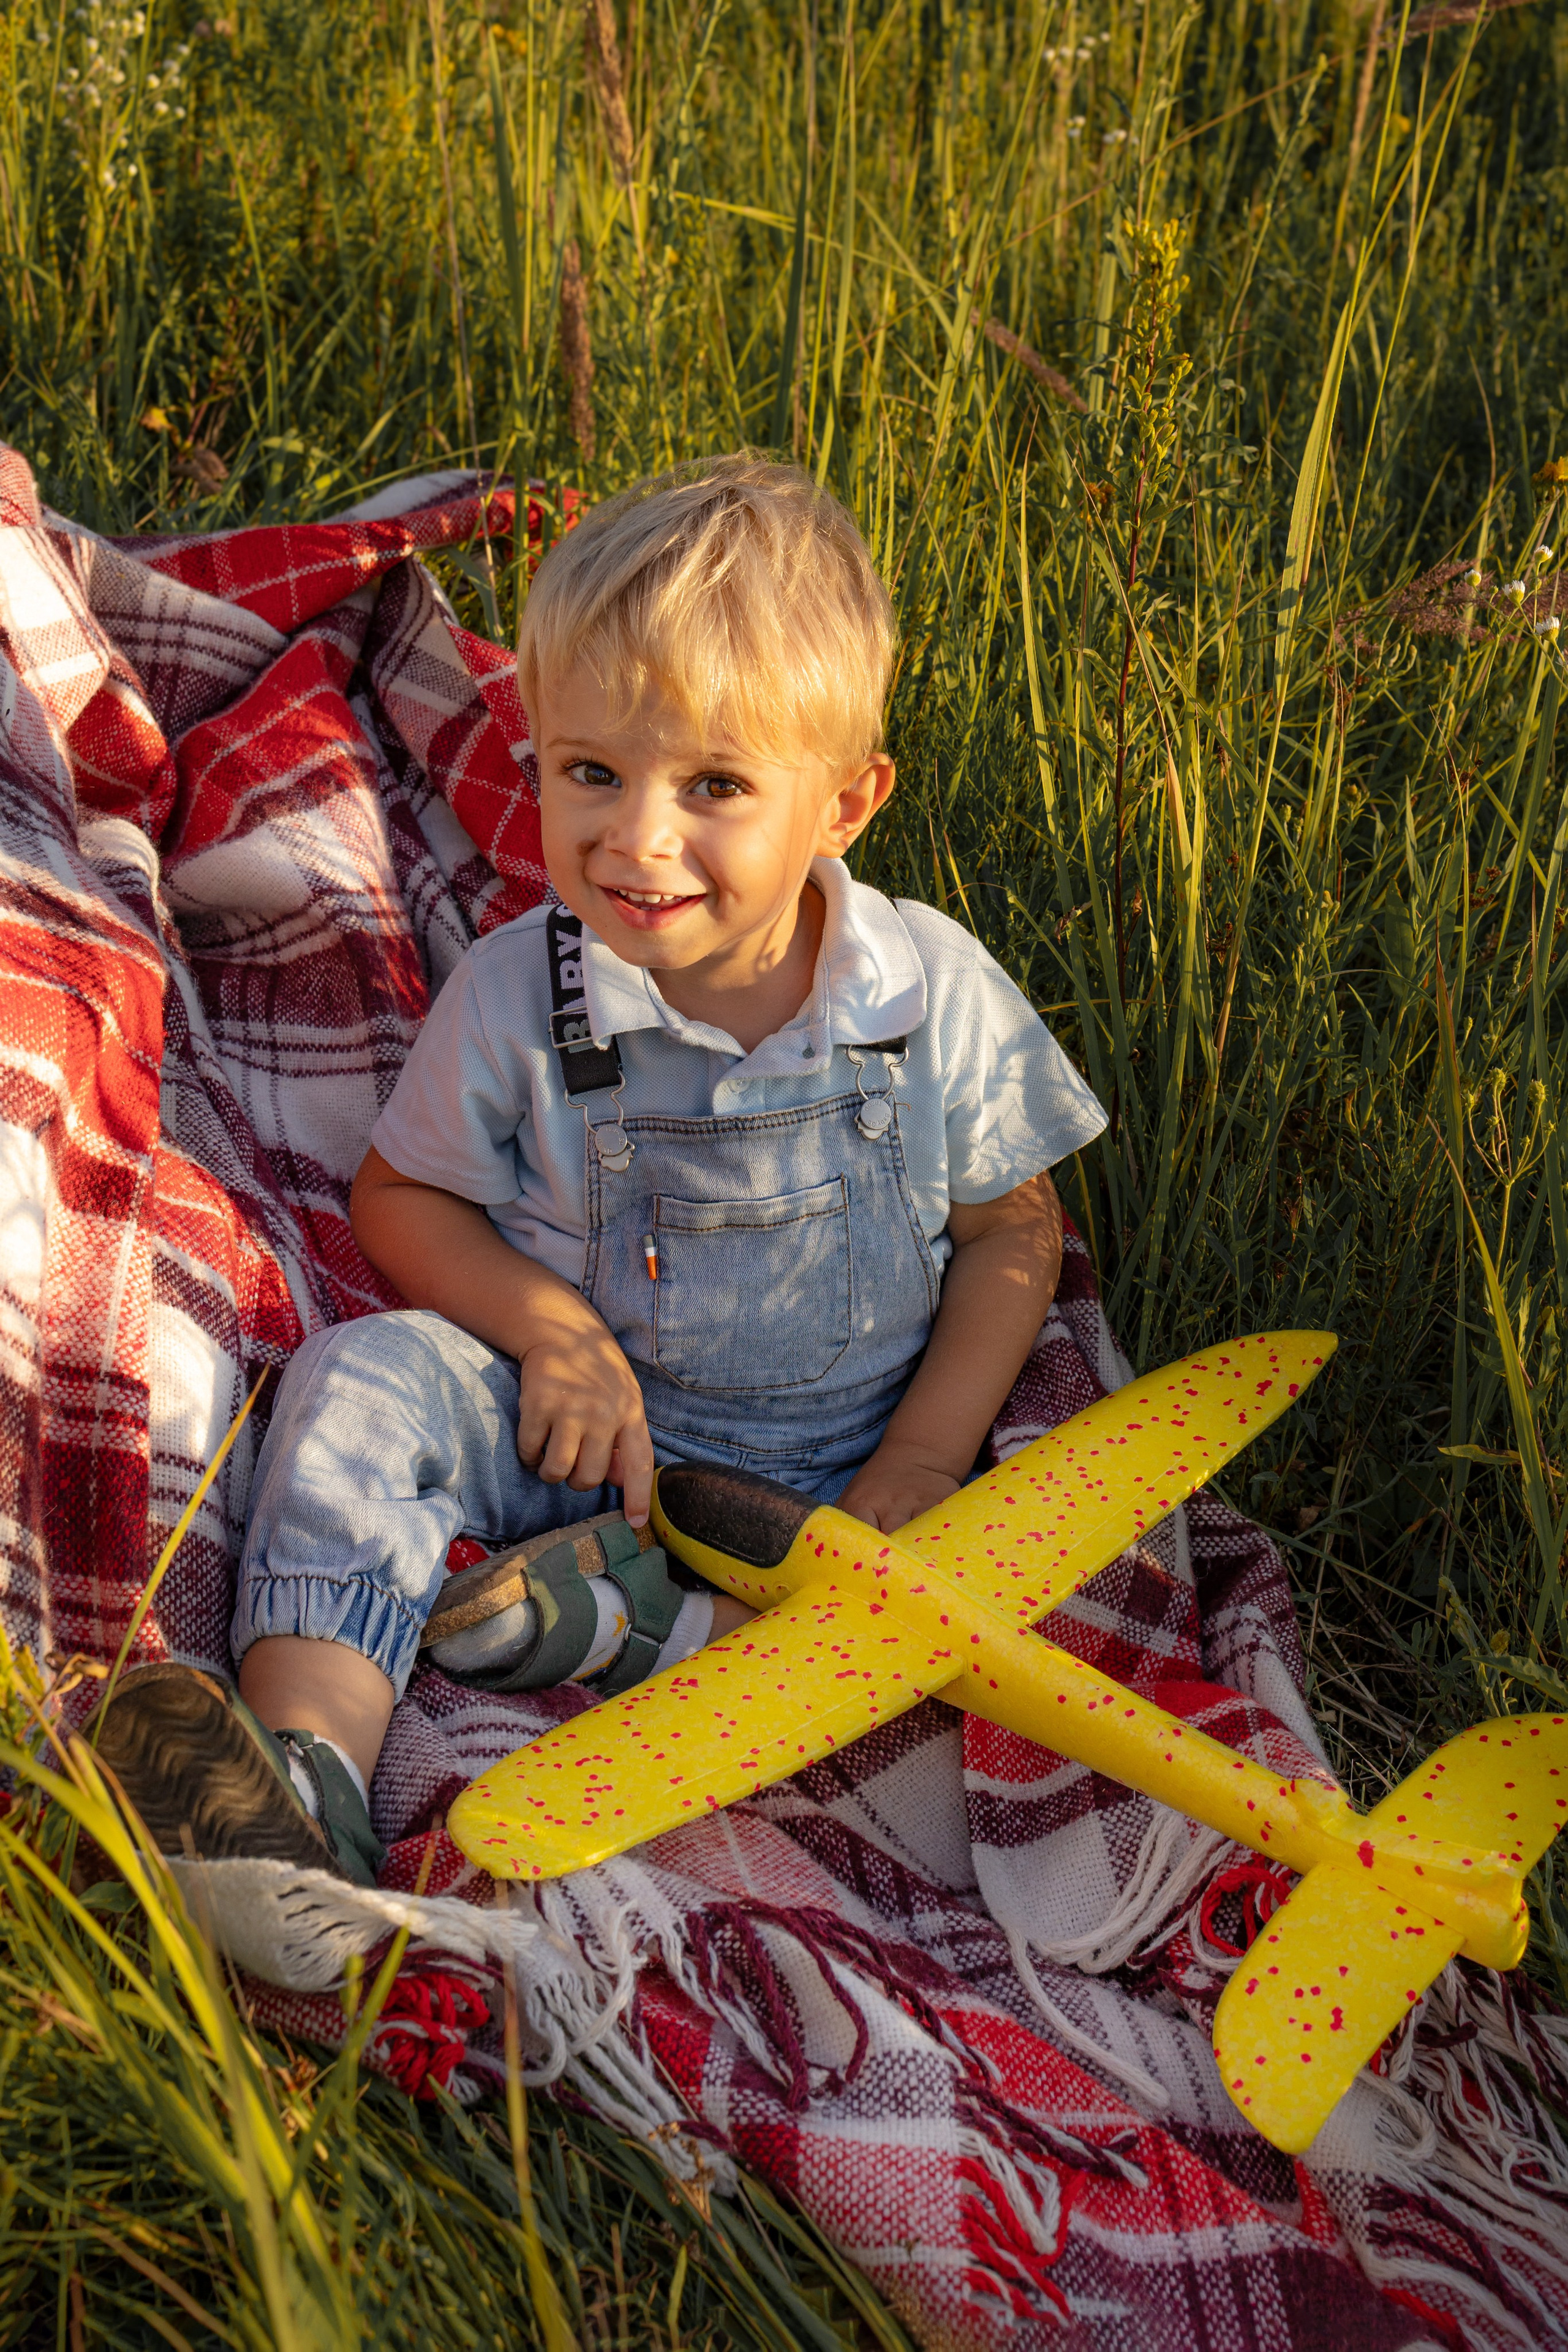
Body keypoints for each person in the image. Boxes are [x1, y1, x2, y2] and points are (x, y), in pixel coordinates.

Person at [94, 454, 1107, 1884]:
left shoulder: (917, 991)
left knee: (911, 1653)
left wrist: (926, 1461)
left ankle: (640, 1629)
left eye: (712, 785)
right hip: (578, 1443)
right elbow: (400, 1200)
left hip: (842, 1489)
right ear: (537, 756)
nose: (636, 839)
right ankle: (297, 1782)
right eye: (591, 773)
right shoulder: (527, 995)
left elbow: (1014, 1228)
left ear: (843, 804)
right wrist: (552, 1335)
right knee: (362, 1381)